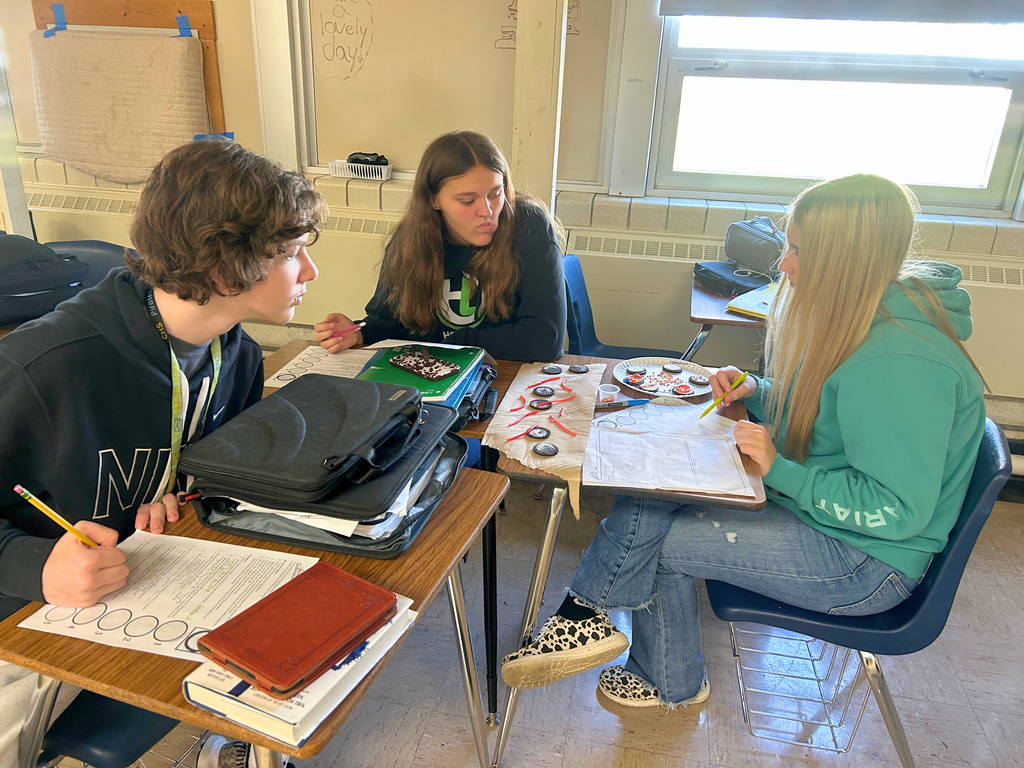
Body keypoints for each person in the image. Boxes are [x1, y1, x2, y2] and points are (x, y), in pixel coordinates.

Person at [500, 173, 987, 709]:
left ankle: (666, 678)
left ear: (846, 260)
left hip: (866, 562)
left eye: (797, 251)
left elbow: (897, 512)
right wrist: (759, 389)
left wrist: (781, 470)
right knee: (652, 493)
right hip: (836, 527)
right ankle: (588, 616)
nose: (783, 265)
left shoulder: (902, 363)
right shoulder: (870, 318)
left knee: (660, 543)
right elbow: (836, 406)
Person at [0, 138, 325, 765]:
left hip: (145, 589)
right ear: (225, 270)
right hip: (27, 615)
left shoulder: (240, 354)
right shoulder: (43, 367)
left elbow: (209, 459)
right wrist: (35, 566)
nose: (309, 274)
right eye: (291, 254)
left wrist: (188, 491)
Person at [314, 130, 566, 363]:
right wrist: (359, 333)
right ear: (433, 200)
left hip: (507, 375)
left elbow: (544, 341)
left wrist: (452, 343)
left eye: (495, 194)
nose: (487, 212)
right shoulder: (409, 240)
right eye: (468, 201)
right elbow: (392, 322)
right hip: (437, 374)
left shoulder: (529, 225)